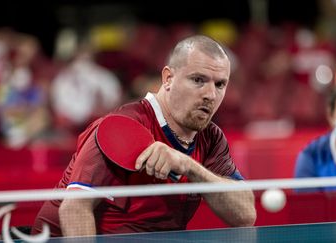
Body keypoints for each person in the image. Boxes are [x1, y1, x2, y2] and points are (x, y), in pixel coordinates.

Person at [32, 35, 256, 236]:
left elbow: (245, 215)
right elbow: (74, 209)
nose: (210, 94)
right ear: (168, 78)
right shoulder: (122, 126)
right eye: (198, 80)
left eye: (220, 84)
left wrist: (189, 166)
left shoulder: (211, 138)